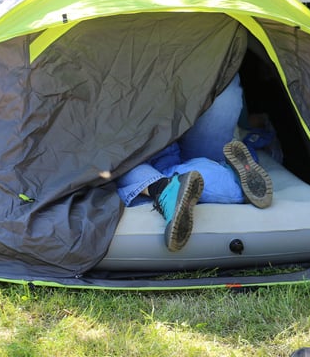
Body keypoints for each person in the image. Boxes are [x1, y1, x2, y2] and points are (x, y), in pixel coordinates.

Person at [116, 73, 273, 252]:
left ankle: (163, 189)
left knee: (116, 168)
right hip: (205, 92)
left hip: (140, 142)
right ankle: (231, 177)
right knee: (223, 90)